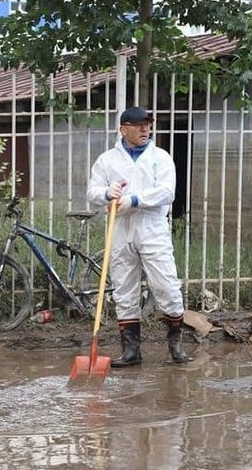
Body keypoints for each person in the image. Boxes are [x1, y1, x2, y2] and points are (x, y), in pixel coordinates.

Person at [87, 106, 189, 367]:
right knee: (124, 287)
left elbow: (167, 192)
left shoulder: (161, 158)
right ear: (123, 129)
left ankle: (176, 345)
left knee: (166, 283)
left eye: (147, 124)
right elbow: (92, 193)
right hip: (120, 228)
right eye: (138, 125)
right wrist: (106, 194)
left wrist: (134, 199)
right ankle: (131, 351)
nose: (145, 129)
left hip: (151, 227)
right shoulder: (107, 160)